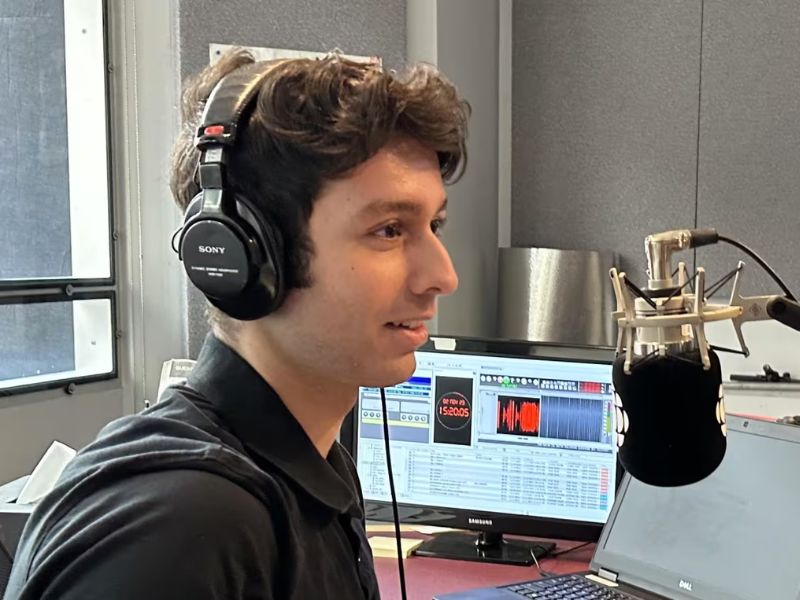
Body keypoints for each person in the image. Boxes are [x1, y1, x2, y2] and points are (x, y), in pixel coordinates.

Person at [4, 48, 469, 599]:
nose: (443, 275)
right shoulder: (181, 526)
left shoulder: (310, 463)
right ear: (246, 256)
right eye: (389, 229)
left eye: (434, 223)